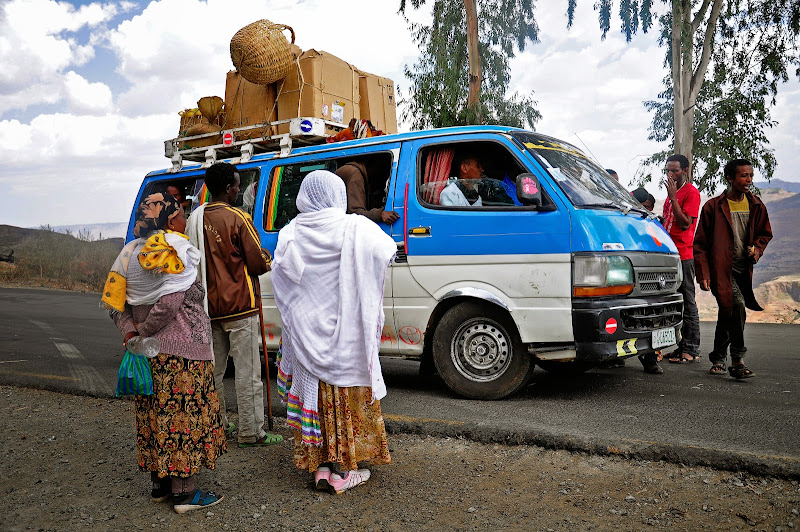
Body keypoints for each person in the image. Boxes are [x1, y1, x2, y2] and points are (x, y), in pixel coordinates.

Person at [101, 190, 226, 514]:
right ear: (170, 219)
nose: (186, 219)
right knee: (182, 421)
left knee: (155, 418)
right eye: (183, 213)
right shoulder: (176, 249)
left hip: (147, 355)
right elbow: (169, 303)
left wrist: (131, 335)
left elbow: (116, 304)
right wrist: (143, 332)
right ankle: (185, 494)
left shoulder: (128, 253)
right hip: (181, 355)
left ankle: (160, 486)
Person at [272, 170, 396, 494]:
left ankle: (322, 469)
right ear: (337, 195)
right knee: (343, 400)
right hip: (344, 340)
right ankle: (345, 471)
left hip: (304, 338)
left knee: (315, 399)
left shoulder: (291, 233)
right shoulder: (354, 228)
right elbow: (386, 250)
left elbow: (283, 280)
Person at [185, 162, 283, 448]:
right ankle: (251, 432)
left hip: (207, 307)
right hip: (241, 306)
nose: (239, 190)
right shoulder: (238, 217)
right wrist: (265, 258)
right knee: (248, 372)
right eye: (238, 186)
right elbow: (256, 262)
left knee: (213, 371)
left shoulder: (195, 218)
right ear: (228, 189)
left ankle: (217, 426)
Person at [694, 159, 772, 379]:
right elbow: (699, 244)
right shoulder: (713, 206)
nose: (748, 180)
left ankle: (718, 357)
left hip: (742, 271)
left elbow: (765, 234)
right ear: (730, 178)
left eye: (750, 176)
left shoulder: (756, 205)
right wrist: (704, 273)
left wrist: (756, 250)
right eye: (743, 176)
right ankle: (737, 359)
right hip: (721, 270)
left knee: (728, 311)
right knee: (736, 306)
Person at [657, 154, 702, 369]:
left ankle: (691, 349)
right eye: (667, 171)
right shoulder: (671, 195)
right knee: (675, 301)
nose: (670, 175)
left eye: (674, 170)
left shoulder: (690, 193)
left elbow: (685, 224)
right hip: (669, 254)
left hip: (683, 255)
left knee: (688, 301)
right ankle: (682, 345)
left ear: (685, 170)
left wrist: (674, 197)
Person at [439, 155, 513, 207]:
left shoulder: (474, 193)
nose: (482, 170)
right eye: (478, 166)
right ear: (464, 168)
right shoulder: (450, 193)